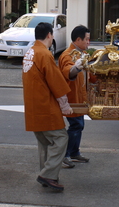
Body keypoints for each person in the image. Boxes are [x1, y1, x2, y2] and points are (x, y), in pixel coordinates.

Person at [22, 22, 73, 192]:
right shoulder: (44, 54)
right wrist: (64, 105)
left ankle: (47, 174)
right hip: (45, 105)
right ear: (50, 35)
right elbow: (55, 81)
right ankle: (48, 175)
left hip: (33, 105)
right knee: (60, 138)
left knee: (44, 142)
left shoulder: (30, 52)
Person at [58, 25, 95, 168]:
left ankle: (74, 152)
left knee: (79, 125)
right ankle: (65, 155)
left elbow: (91, 77)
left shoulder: (82, 54)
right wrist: (77, 67)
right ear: (78, 39)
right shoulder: (67, 55)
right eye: (86, 39)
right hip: (71, 98)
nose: (88, 42)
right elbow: (69, 72)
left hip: (81, 98)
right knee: (76, 125)